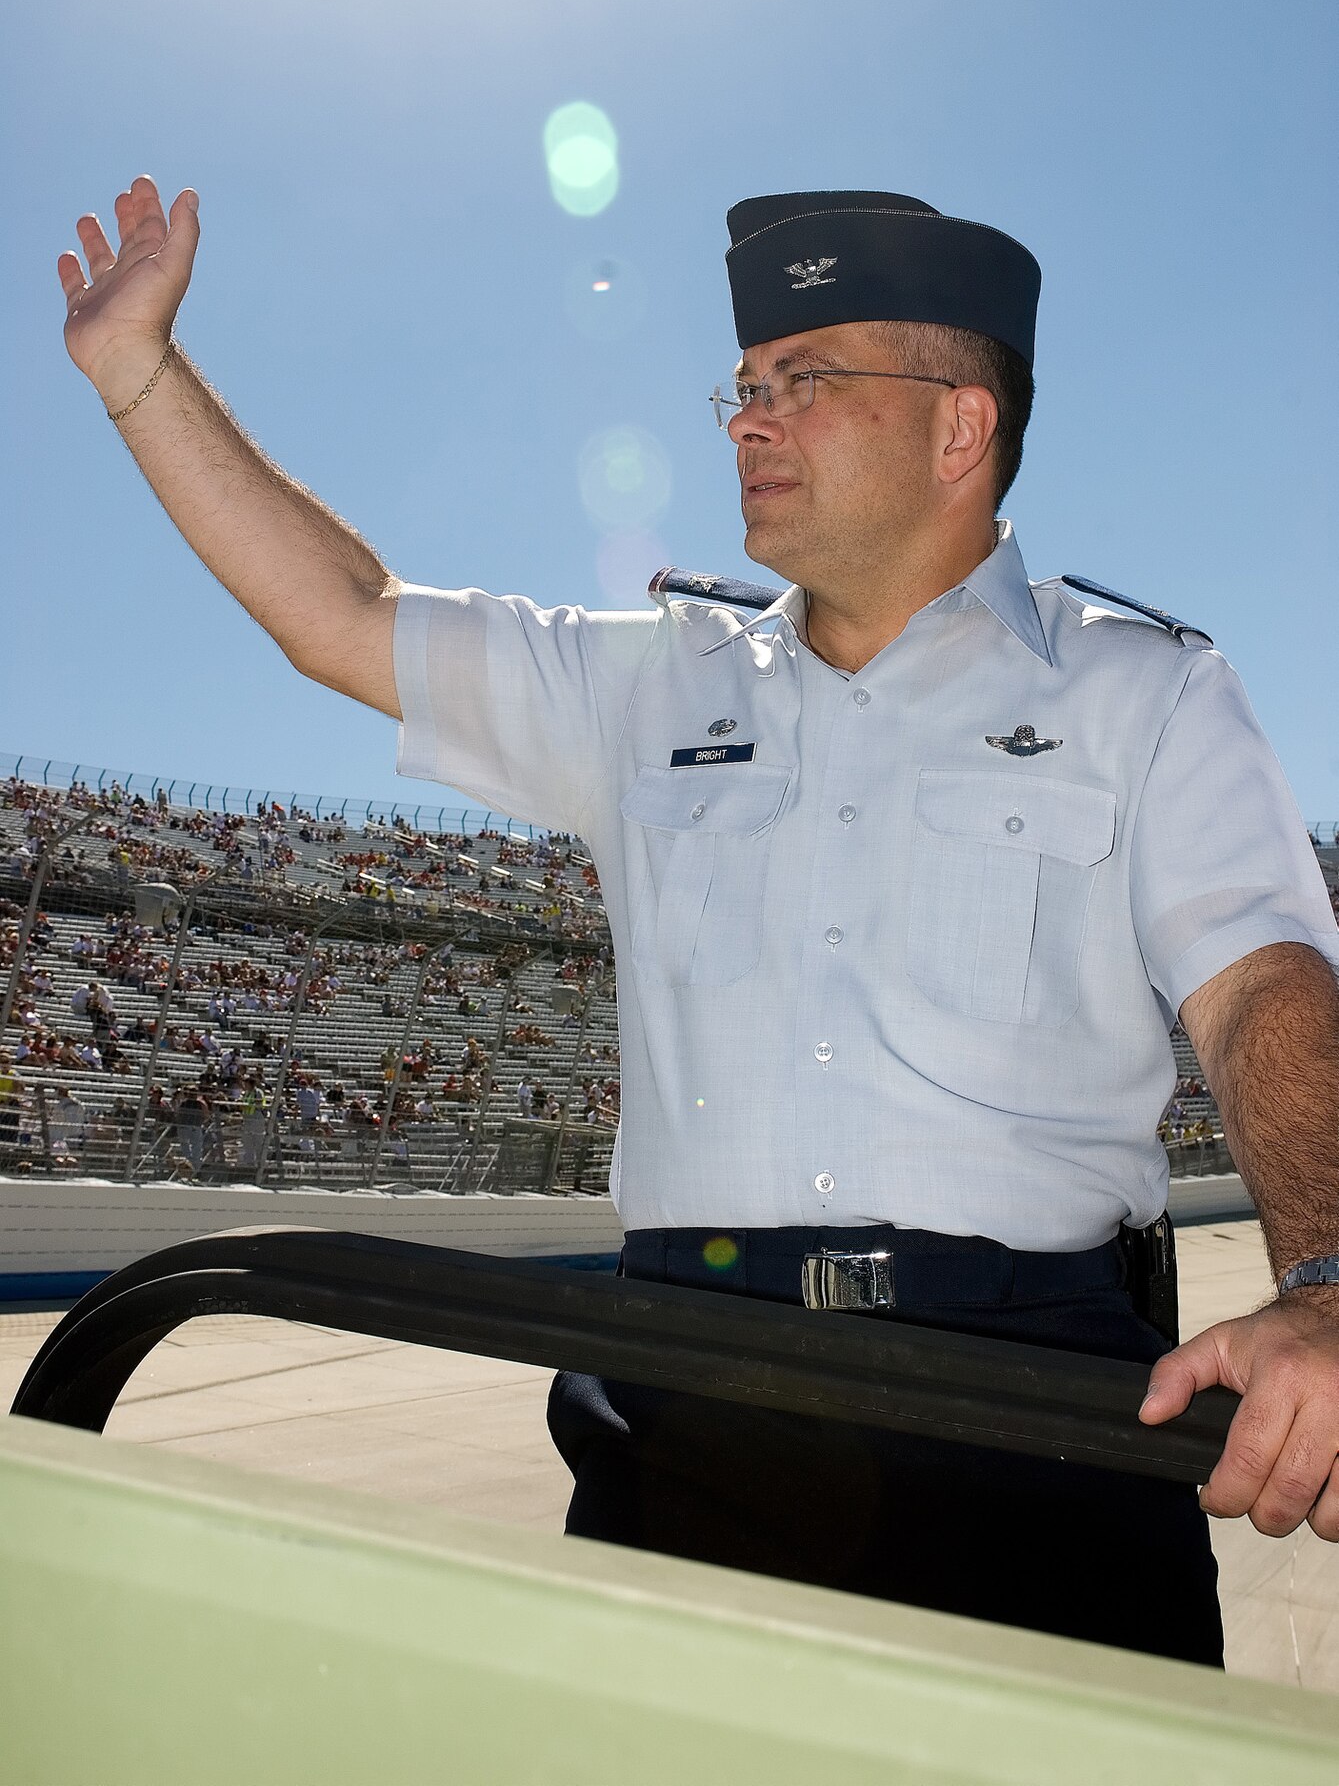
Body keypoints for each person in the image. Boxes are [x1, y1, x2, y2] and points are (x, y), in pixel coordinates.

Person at [57, 175, 1339, 1665]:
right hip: (679, 1377)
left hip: (1032, 1399)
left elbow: (1264, 991)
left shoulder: (1144, 694)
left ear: (959, 426)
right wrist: (137, 371)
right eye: (743, 385)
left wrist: (1323, 1280)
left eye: (805, 382)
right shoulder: (648, 683)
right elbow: (341, 613)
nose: (745, 419)